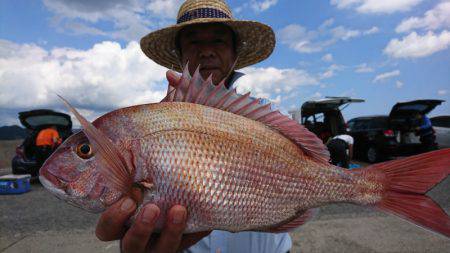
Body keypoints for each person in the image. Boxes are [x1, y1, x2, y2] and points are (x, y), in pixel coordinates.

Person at [95, 1, 292, 253]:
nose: (206, 51)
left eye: (219, 41)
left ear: (235, 55)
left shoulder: (272, 117)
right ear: (179, 55)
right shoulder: (156, 127)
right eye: (194, 42)